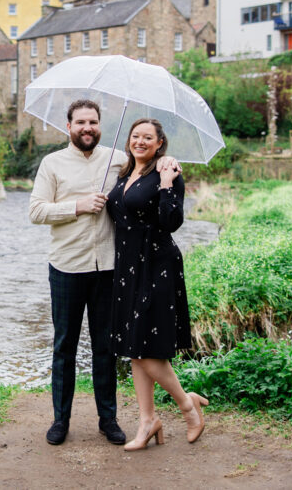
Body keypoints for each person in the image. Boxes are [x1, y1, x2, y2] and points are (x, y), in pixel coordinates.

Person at [29, 99, 178, 446]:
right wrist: (77, 206)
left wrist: (167, 161)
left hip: (109, 268)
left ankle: (107, 419)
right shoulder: (52, 163)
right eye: (80, 122)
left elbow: (150, 166)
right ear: (69, 127)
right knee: (64, 346)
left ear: (100, 126)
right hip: (67, 265)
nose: (87, 128)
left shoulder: (119, 161)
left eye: (93, 122)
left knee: (106, 348)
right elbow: (36, 211)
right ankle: (60, 421)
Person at [105, 117, 208, 451]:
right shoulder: (123, 173)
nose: (140, 141)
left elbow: (172, 222)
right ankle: (148, 421)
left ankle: (187, 405)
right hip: (127, 268)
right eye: (135, 136)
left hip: (156, 265)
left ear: (160, 143)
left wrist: (166, 183)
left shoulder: (168, 172)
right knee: (135, 351)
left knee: (148, 351)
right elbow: (122, 214)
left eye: (147, 137)